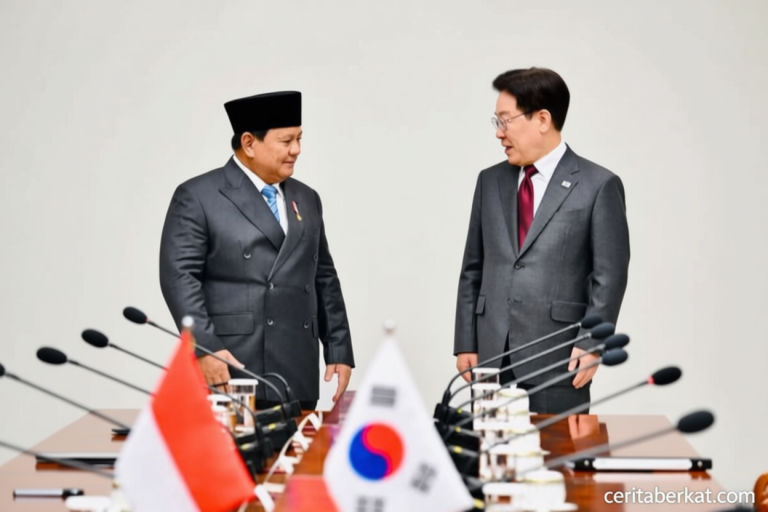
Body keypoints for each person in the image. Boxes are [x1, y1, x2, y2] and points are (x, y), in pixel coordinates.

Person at [159, 91, 354, 410]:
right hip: (232, 364)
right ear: (249, 143)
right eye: (286, 140)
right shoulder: (199, 196)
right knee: (235, 444)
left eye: (299, 139)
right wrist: (205, 348)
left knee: (299, 443)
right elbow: (179, 278)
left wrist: (338, 348)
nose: (297, 150)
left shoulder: (307, 198)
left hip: (297, 366)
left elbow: (323, 276)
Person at [454, 68, 630, 414]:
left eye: (505, 120)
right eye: (496, 122)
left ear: (543, 119)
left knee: (555, 449)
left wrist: (592, 343)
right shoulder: (490, 181)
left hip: (557, 359)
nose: (499, 133)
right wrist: (466, 341)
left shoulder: (598, 185)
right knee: (489, 448)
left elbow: (609, 275)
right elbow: (473, 267)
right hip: (491, 357)